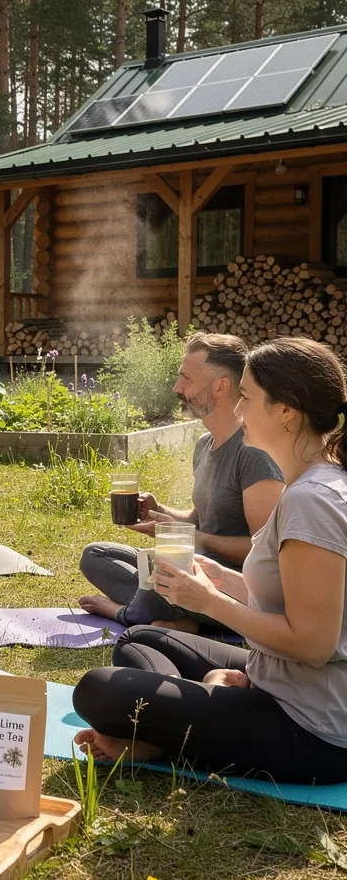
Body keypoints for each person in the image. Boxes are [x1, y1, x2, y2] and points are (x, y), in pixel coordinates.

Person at [72, 337, 347, 785]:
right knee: (142, 639)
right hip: (276, 679)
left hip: (313, 729)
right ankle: (189, 714)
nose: (238, 410)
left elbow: (314, 643)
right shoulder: (314, 484)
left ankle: (165, 731)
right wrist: (221, 580)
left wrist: (210, 603)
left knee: (99, 690)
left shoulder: (312, 500)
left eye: (247, 397)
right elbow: (290, 597)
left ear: (286, 411)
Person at [78, 332, 283, 632]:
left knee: (160, 578)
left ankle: (129, 614)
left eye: (186, 378)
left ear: (220, 387)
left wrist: (190, 540)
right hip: (189, 564)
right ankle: (182, 621)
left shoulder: (254, 454)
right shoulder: (204, 444)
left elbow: (264, 552)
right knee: (97, 555)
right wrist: (160, 513)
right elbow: (201, 518)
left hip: (231, 585)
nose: (177, 387)